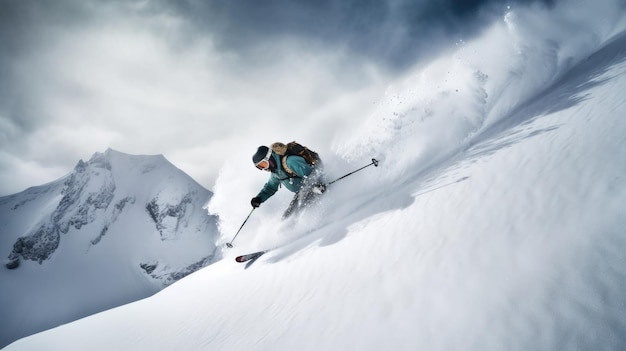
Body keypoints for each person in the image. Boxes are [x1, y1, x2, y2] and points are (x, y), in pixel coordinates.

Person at [251, 145, 325, 219]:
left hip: (314, 187)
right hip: (302, 191)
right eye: (260, 167)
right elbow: (270, 187)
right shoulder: (276, 173)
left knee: (297, 211)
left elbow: (311, 173)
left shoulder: (290, 162)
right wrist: (259, 198)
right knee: (287, 217)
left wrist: (317, 184)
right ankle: (290, 229)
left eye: (264, 164)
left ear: (269, 157)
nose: (264, 168)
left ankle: (316, 221)